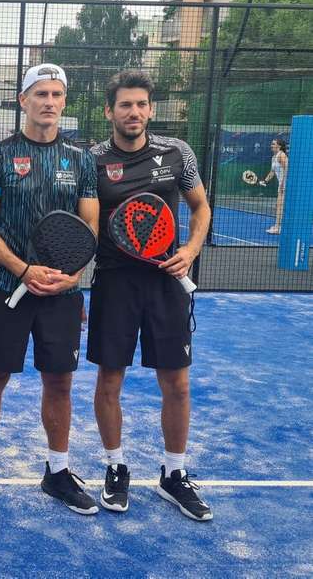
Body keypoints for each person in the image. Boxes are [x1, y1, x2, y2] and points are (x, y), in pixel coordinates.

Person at [0, 63, 100, 516]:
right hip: (7, 288)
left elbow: (89, 226)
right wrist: (22, 269)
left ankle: (57, 472)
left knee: (59, 382)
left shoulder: (81, 161)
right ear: (23, 101)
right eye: (40, 94)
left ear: (63, 103)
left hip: (63, 294)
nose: (49, 102)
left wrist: (72, 275)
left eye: (57, 94)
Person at [89, 70, 212, 521]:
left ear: (151, 109)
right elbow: (86, 225)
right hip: (115, 281)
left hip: (166, 282)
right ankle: (116, 467)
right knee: (110, 381)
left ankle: (173, 475)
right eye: (125, 105)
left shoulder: (177, 152)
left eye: (141, 104)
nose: (134, 112)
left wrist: (190, 249)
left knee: (177, 384)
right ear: (110, 111)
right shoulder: (93, 161)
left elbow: (200, 207)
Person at [259, 138, 288, 234]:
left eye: (273, 144)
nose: (271, 145)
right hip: (282, 184)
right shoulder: (274, 157)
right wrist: (265, 181)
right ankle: (279, 226)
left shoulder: (282, 155)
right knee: (279, 205)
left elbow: (287, 170)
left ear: (279, 146)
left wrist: (283, 184)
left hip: (286, 184)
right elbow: (272, 172)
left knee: (280, 206)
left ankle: (278, 227)